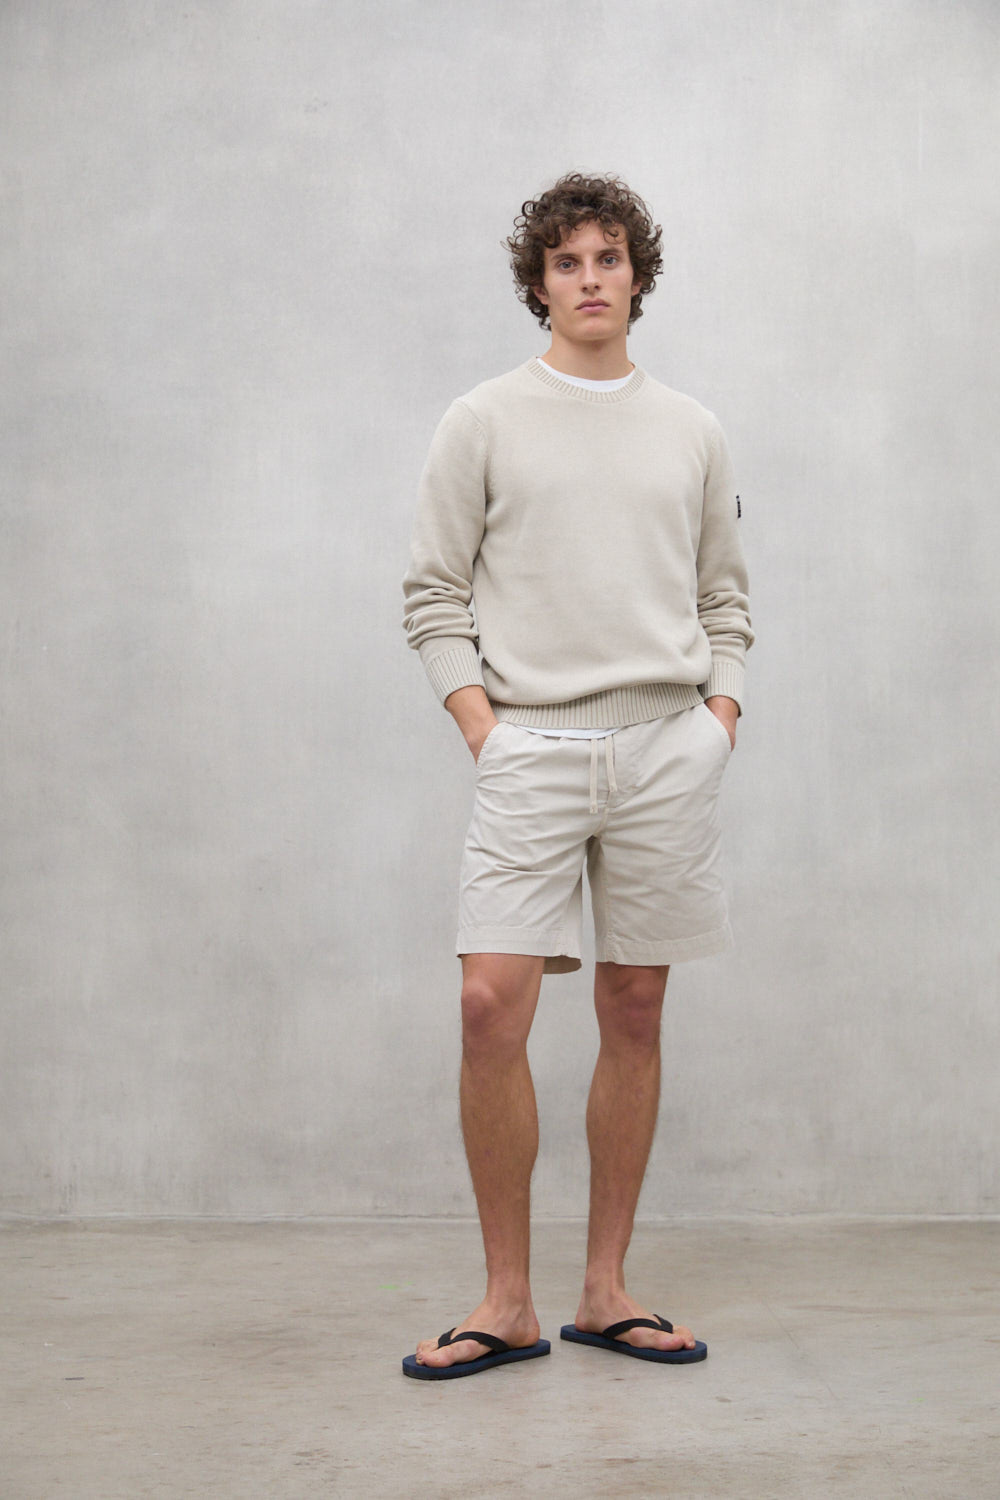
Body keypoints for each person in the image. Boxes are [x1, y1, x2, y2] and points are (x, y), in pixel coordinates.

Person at [399, 172, 753, 1380]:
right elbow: (433, 593)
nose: (589, 278)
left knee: (634, 1007)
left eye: (608, 258)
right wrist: (484, 730)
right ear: (538, 283)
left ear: (635, 277)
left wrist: (717, 716)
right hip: (530, 747)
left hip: (666, 745)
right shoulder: (483, 419)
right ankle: (505, 1301)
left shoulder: (690, 427)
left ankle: (604, 1291)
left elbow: (724, 597)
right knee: (488, 1006)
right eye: (566, 262)